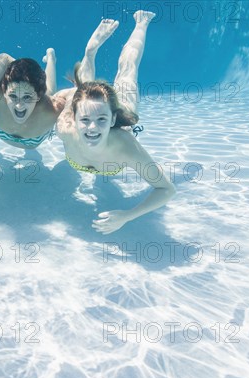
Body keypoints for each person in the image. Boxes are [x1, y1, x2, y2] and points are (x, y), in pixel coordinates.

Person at [56, 11, 175, 234]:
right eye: (85, 120)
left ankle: (142, 22)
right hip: (85, 106)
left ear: (111, 119)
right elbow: (76, 92)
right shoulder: (65, 127)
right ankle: (90, 51)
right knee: (81, 88)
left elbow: (166, 189)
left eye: (101, 119)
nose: (92, 128)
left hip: (124, 108)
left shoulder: (125, 146)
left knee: (128, 69)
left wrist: (127, 216)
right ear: (75, 119)